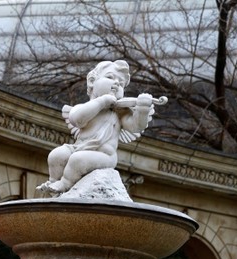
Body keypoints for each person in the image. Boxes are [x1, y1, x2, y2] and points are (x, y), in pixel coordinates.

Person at [37, 60, 159, 196]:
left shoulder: (121, 112)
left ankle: (65, 184)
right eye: (110, 77)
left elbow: (136, 126)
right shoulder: (84, 108)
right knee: (57, 155)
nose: (117, 83)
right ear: (91, 81)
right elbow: (77, 119)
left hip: (105, 156)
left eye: (122, 83)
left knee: (77, 160)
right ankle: (53, 182)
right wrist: (102, 102)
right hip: (79, 148)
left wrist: (142, 109)